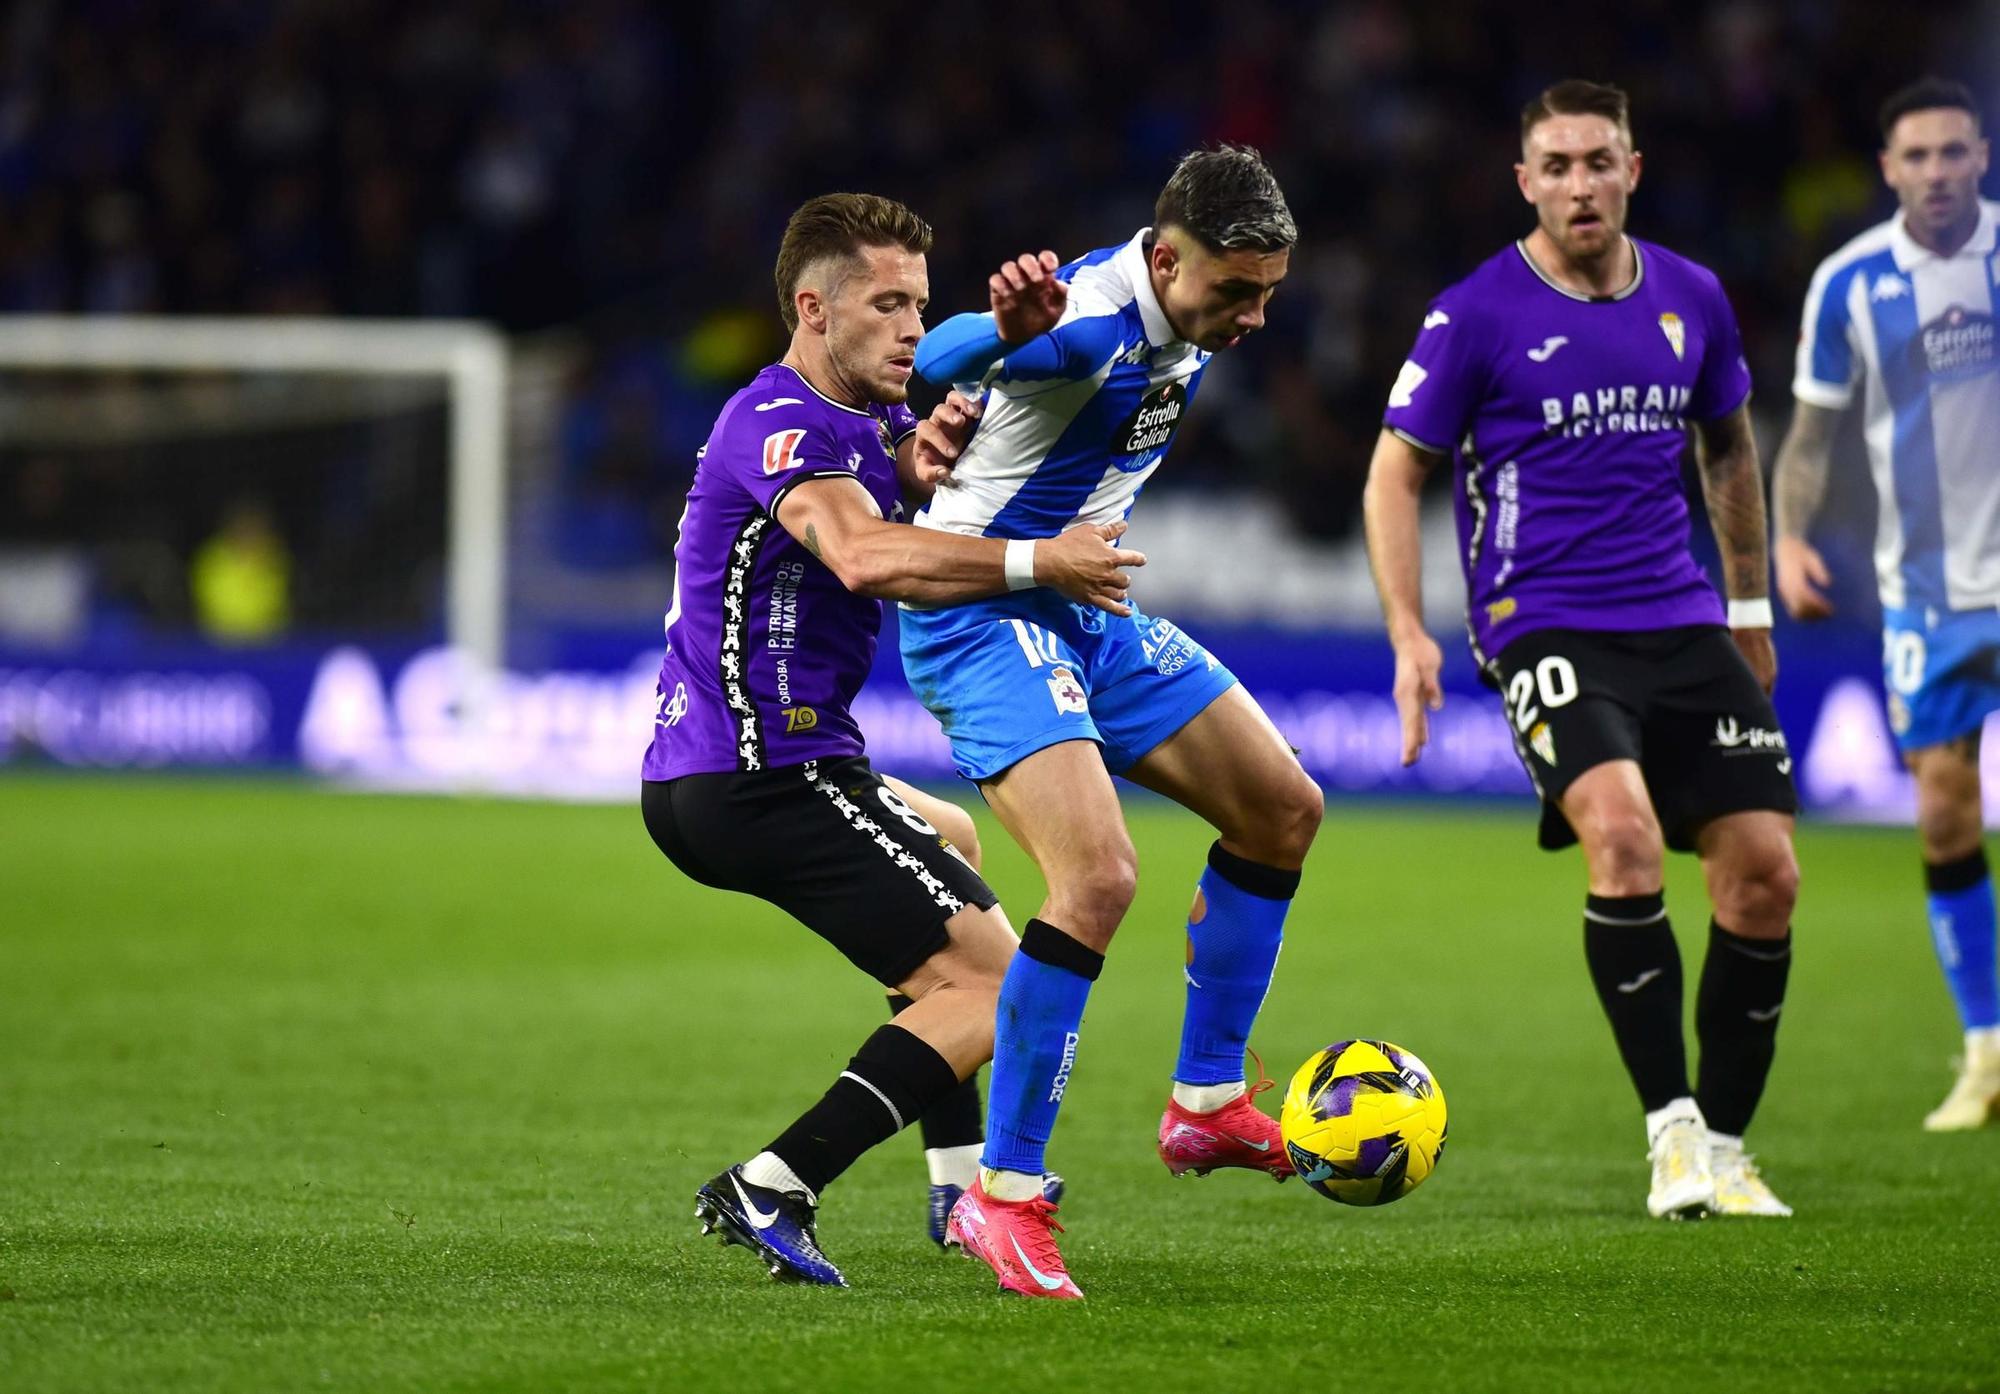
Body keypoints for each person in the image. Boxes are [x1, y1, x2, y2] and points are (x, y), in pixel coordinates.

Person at [644, 192, 1140, 1286]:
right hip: (763, 774)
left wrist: (917, 464)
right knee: (1003, 984)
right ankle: (777, 1180)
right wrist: (1041, 561)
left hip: (737, 766)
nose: (914, 328)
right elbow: (864, 557)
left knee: (949, 838)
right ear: (813, 309)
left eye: (920, 303)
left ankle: (956, 1176)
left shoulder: (852, 425)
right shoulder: (777, 422)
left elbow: (878, 489)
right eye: (887, 305)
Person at [1362, 80, 1801, 1220]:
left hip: (1681, 616)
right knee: (1623, 834)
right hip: (1542, 620)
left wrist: (1749, 606)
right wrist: (1409, 631)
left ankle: (1726, 1149)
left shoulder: (1692, 297)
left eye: (1597, 161)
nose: (1578, 184)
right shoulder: (1475, 313)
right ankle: (1670, 1134)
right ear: (1525, 182)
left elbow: (1728, 448)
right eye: (1554, 166)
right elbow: (1394, 472)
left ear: (1631, 170)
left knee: (1765, 871)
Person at [900, 145, 1325, 1299]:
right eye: (1234, 291)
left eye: (1267, 293)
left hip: (1087, 606)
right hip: (984, 613)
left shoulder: (1182, 310)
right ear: (1166, 259)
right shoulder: (1084, 325)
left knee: (1281, 808)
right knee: (1095, 879)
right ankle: (1001, 1194)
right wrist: (995, 332)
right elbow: (929, 359)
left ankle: (1206, 1099)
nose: (1251, 316)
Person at [1774, 77, 2000, 1131]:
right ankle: (1985, 1052)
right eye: (1916, 155)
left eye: (1953, 152)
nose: (1936, 172)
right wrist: (1786, 538)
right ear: (1887, 169)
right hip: (1925, 598)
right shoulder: (1848, 283)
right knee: (1944, 813)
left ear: (1980, 157)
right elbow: (1811, 437)